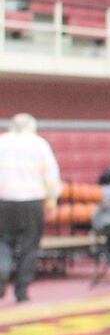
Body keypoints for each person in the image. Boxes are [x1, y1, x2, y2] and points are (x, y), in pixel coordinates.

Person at [0, 113, 62, 304]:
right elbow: (51, 175)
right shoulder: (39, 144)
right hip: (33, 201)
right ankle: (22, 291)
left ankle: (1, 272)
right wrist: (52, 201)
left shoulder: (2, 142)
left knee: (2, 242)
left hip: (4, 200)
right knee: (29, 246)